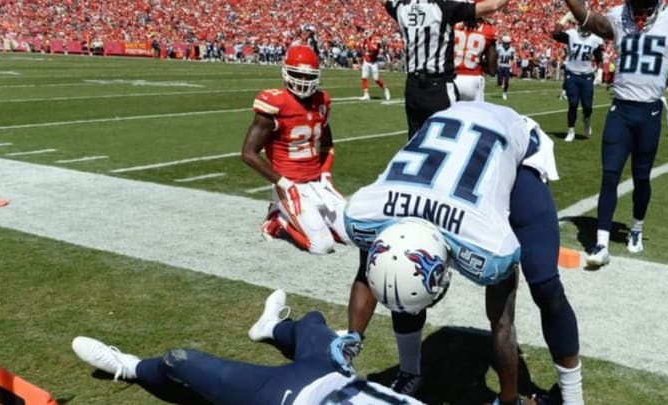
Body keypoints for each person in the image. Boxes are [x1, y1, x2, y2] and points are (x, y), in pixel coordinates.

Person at [339, 101, 583, 404]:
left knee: (544, 282)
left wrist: (509, 399)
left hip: (510, 136)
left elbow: (502, 322)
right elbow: (370, 269)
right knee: (396, 272)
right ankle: (410, 372)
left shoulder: (484, 240)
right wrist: (352, 338)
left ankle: (573, 397)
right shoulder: (376, 213)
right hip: (445, 131)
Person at [71, 289, 425, 405]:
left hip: (285, 398)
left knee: (179, 361)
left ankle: (128, 367)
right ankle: (269, 327)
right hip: (341, 379)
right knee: (313, 322)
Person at [563, 0, 668, 266]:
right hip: (621, 110)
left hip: (649, 112)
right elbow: (588, 19)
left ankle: (637, 227)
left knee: (641, 177)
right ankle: (601, 243)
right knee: (610, 175)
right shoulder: (618, 16)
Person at [241, 45, 350, 255]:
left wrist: (326, 174)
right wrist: (284, 183)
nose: (302, 80)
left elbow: (327, 144)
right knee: (322, 246)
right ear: (286, 72)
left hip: (317, 183)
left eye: (307, 76)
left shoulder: (322, 101)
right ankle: (278, 221)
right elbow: (248, 153)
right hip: (290, 185)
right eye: (297, 74)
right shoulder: (275, 103)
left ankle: (310, 221)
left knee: (354, 235)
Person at [384, 0, 511, 139]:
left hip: (412, 86)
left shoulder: (401, 8)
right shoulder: (443, 8)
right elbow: (492, 6)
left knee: (415, 141)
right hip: (438, 86)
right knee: (447, 139)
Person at [552, 11, 604, 142]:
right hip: (572, 74)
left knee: (587, 106)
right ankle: (571, 130)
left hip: (586, 75)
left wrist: (600, 72)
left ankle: (586, 119)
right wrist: (564, 18)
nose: (584, 27)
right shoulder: (571, 34)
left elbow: (599, 58)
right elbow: (556, 34)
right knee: (573, 104)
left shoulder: (596, 39)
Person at [452, 17, 498, 101]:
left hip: (452, 78)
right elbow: (492, 70)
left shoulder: (452, 24)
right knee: (475, 112)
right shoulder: (487, 29)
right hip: (473, 78)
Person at [359, 31, 392, 101]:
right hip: (366, 61)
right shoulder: (365, 40)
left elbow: (373, 49)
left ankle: (385, 89)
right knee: (364, 77)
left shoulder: (375, 41)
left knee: (376, 79)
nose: (365, 35)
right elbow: (364, 49)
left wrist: (367, 39)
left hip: (373, 62)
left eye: (367, 33)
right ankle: (366, 94)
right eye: (366, 33)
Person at [496, 35, 515, 100]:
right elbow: (496, 57)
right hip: (500, 66)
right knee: (499, 82)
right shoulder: (499, 48)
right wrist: (496, 65)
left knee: (507, 81)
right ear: (503, 42)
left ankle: (504, 93)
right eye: (505, 43)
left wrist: (511, 67)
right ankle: (501, 84)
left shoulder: (512, 49)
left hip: (507, 67)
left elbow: (512, 59)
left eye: (508, 43)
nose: (507, 44)